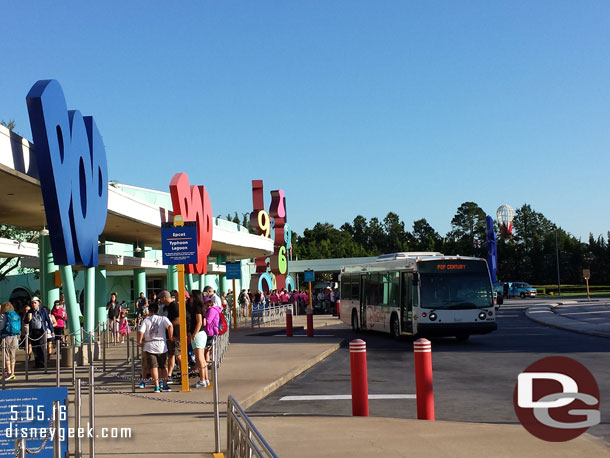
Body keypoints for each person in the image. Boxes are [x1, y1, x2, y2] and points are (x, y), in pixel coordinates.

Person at [137, 302, 173, 392]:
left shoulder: (146, 320)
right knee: (163, 366)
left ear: (149, 311)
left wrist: (140, 341)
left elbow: (141, 331)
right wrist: (170, 336)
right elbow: (170, 326)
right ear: (158, 310)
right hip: (161, 345)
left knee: (154, 367)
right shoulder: (163, 318)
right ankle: (164, 385)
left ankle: (156, 386)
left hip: (149, 345)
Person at [158, 290, 182, 383]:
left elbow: (179, 320)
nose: (160, 300)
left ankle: (183, 373)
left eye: (161, 298)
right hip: (170, 335)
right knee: (171, 355)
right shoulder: (167, 307)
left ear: (164, 298)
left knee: (178, 355)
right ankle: (169, 374)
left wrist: (168, 325)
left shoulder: (174, 306)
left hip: (176, 334)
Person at [24, 297, 54, 368]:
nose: (33, 304)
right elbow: (25, 321)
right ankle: (37, 363)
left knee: (41, 347)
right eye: (32, 303)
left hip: (41, 331)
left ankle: (42, 363)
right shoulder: (30, 311)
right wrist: (28, 319)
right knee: (35, 348)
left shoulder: (43, 310)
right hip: (33, 331)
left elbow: (48, 320)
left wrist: (52, 330)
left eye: (35, 303)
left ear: (38, 303)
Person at [190, 293, 209, 388]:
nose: (190, 298)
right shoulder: (202, 308)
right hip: (202, 334)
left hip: (198, 334)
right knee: (202, 358)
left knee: (199, 358)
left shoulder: (197, 308)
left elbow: (200, 322)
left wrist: (194, 333)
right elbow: (204, 322)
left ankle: (202, 380)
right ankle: (205, 379)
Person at [0, 302, 21, 380]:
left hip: (6, 336)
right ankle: (12, 373)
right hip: (14, 336)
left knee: (6, 354)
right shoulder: (15, 314)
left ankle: (8, 372)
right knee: (13, 354)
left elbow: (1, 326)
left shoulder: (4, 315)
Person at [204, 298, 221, 369]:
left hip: (210, 331)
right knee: (208, 350)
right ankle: (207, 363)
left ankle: (207, 364)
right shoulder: (212, 310)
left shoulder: (211, 310)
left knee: (206, 350)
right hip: (211, 331)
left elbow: (208, 321)